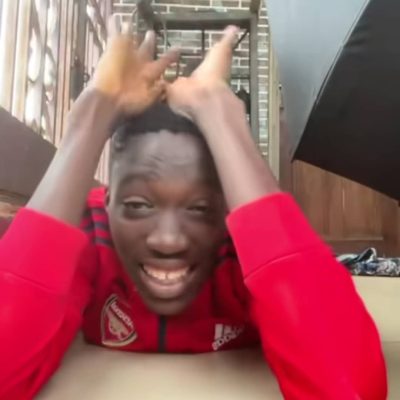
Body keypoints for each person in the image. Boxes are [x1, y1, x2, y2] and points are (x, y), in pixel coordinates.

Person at [0, 16, 387, 400]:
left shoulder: (245, 253)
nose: (168, 240)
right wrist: (90, 119)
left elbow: (351, 388)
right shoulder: (87, 237)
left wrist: (222, 117)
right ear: (108, 200)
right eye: (138, 205)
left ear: (228, 210)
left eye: (200, 209)